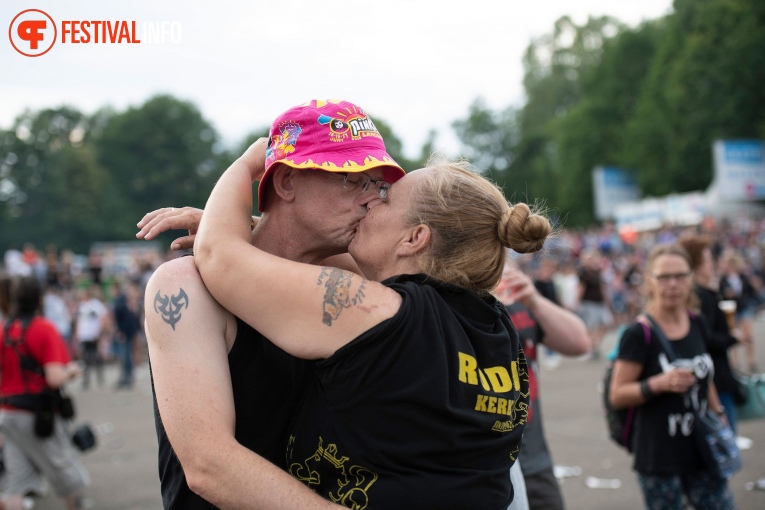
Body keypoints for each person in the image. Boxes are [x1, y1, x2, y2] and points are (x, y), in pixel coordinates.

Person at [191, 131, 551, 507]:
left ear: (414, 239)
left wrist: (250, 162)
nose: (369, 203)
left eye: (385, 198)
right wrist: (251, 226)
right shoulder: (495, 324)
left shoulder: (377, 313)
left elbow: (219, 256)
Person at [139, 99, 407, 509]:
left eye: (379, 184)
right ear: (285, 183)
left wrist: (238, 226)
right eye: (354, 180)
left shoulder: (353, 281)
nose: (372, 199)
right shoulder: (185, 287)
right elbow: (209, 467)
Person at [609, 244, 736, 510]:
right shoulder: (639, 334)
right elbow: (617, 394)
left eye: (680, 276)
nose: (673, 284)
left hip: (702, 448)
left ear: (691, 278)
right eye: (664, 277)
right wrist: (659, 383)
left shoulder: (696, 321)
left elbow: (706, 375)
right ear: (649, 281)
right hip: (659, 458)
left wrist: (718, 412)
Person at [498, 264, 590, 510]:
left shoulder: (517, 299)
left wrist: (532, 298)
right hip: (483, 466)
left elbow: (580, 343)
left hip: (534, 460)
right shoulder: (452, 304)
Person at [0, 276, 89, 510]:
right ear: (39, 299)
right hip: (37, 415)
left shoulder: (4, 330)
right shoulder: (43, 328)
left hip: (8, 414)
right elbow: (54, 377)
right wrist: (71, 371)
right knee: (67, 475)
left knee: (16, 483)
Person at [679, 236, 745, 434]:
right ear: (697, 264)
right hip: (715, 377)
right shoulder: (702, 296)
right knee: (724, 437)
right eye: (708, 260)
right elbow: (705, 338)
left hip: (711, 375)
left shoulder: (699, 294)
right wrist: (732, 338)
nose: (713, 265)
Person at [577, 249, 613, 359]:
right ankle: (590, 349)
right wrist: (577, 301)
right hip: (589, 303)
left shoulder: (597, 272)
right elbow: (580, 288)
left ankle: (594, 345)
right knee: (591, 327)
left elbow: (602, 287)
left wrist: (607, 301)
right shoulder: (583, 273)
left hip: (599, 303)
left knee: (607, 323)